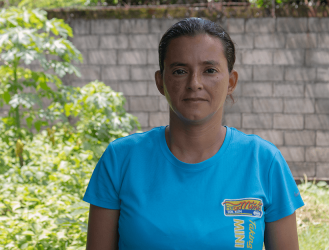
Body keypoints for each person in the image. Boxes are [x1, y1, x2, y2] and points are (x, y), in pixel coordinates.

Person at [84, 17, 304, 250]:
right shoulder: (120, 160)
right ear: (161, 82)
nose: (195, 83)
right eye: (180, 71)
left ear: (231, 81)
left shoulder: (264, 162)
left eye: (210, 70)